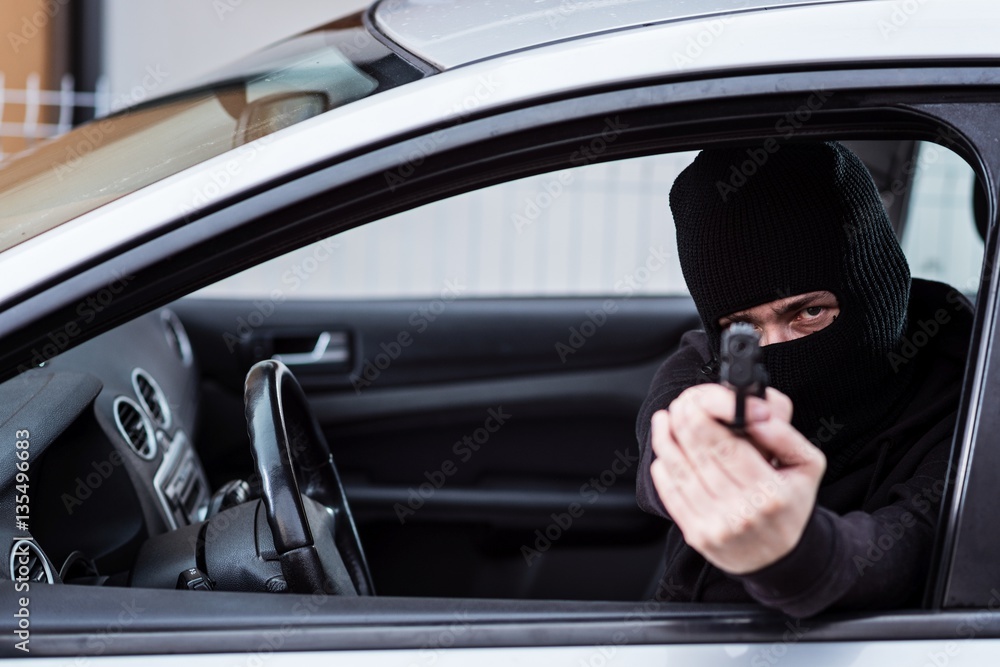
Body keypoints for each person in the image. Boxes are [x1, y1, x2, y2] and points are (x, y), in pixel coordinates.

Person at [635, 141, 973, 618]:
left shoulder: (971, 396)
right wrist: (694, 449)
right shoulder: (705, 364)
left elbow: (919, 543)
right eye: (745, 329)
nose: (774, 348)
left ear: (874, 290)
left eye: (810, 312)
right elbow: (664, 435)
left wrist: (790, 550)